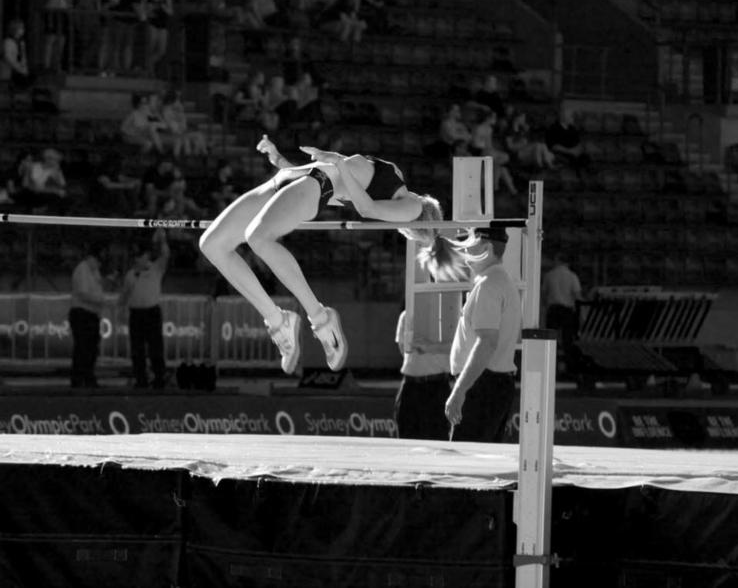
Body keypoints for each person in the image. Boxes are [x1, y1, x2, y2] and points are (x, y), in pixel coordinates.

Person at [198, 135, 465, 375]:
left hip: (314, 182)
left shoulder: (407, 205)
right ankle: (279, 320)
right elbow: (357, 199)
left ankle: (320, 319)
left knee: (259, 238)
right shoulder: (405, 197)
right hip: (291, 178)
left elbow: (366, 207)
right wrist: (280, 159)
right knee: (212, 245)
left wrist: (339, 163)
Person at [444, 227, 521, 442]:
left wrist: (459, 391)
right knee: (482, 461)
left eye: (470, 246)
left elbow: (486, 342)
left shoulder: (488, 285)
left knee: (466, 464)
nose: (465, 253)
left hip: (482, 385)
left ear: (486, 248)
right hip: (492, 383)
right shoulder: (501, 281)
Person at [118, 229, 170, 389]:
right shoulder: (130, 275)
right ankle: (141, 379)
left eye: (142, 256)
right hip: (137, 314)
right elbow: (125, 295)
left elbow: (166, 255)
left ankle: (159, 378)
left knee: (156, 347)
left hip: (152, 312)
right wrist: (120, 310)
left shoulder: (156, 269)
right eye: (138, 256)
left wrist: (163, 240)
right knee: (137, 349)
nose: (139, 259)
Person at [394, 305, 453, 441]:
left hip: (437, 386)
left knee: (438, 438)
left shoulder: (449, 314)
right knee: (407, 438)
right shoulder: (406, 315)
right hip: (411, 385)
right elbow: (403, 348)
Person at [68, 241, 109, 388]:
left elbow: (96, 288)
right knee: (82, 348)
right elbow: (83, 293)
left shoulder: (95, 271)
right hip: (81, 313)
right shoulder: (82, 270)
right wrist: (101, 301)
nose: (99, 263)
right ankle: (78, 379)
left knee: (92, 348)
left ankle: (88, 376)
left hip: (92, 314)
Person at [542, 253, 582, 368]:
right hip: (567, 311)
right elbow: (577, 296)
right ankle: (569, 366)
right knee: (567, 340)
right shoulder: (572, 276)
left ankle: (550, 365)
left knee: (551, 340)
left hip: (553, 310)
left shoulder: (549, 275)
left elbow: (544, 295)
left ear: (557, 260)